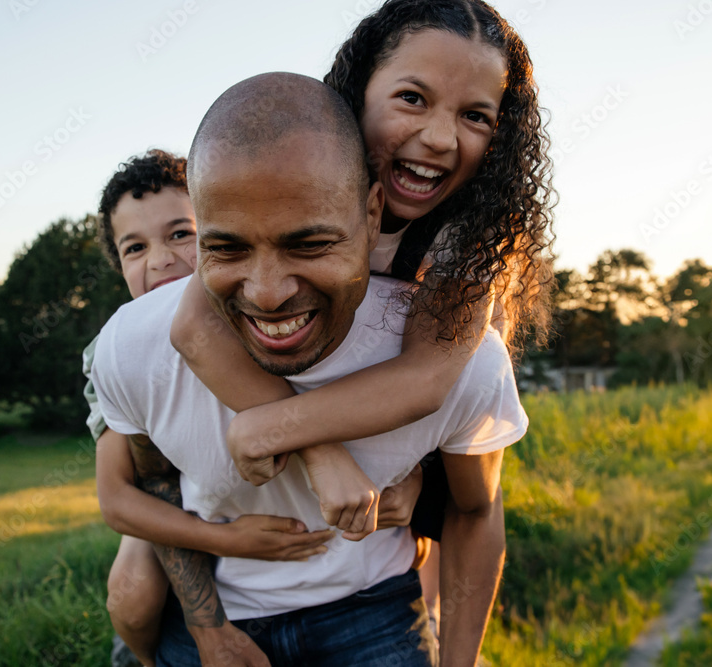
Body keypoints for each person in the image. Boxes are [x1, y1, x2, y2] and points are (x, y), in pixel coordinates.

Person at [92, 72, 529, 666]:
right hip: (222, 611)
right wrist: (209, 630)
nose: (268, 294)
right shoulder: (133, 348)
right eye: (228, 248)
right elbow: (155, 484)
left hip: (371, 608)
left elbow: (475, 510)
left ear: (374, 212)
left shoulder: (461, 358)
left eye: (309, 244)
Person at [168, 0, 554, 636]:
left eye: (475, 116)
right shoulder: (297, 172)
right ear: (355, 93)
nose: (438, 136)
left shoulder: (468, 239)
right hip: (274, 516)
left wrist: (269, 430)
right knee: (134, 587)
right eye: (412, 97)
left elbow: (427, 380)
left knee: (447, 515)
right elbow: (195, 326)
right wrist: (315, 449)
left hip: (418, 468)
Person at [84, 150, 422, 666]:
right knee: (132, 592)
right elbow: (127, 493)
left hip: (354, 575)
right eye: (135, 247)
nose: (160, 260)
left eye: (181, 235)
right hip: (191, 520)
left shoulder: (286, 314)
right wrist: (226, 542)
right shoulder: (121, 353)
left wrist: (413, 473)